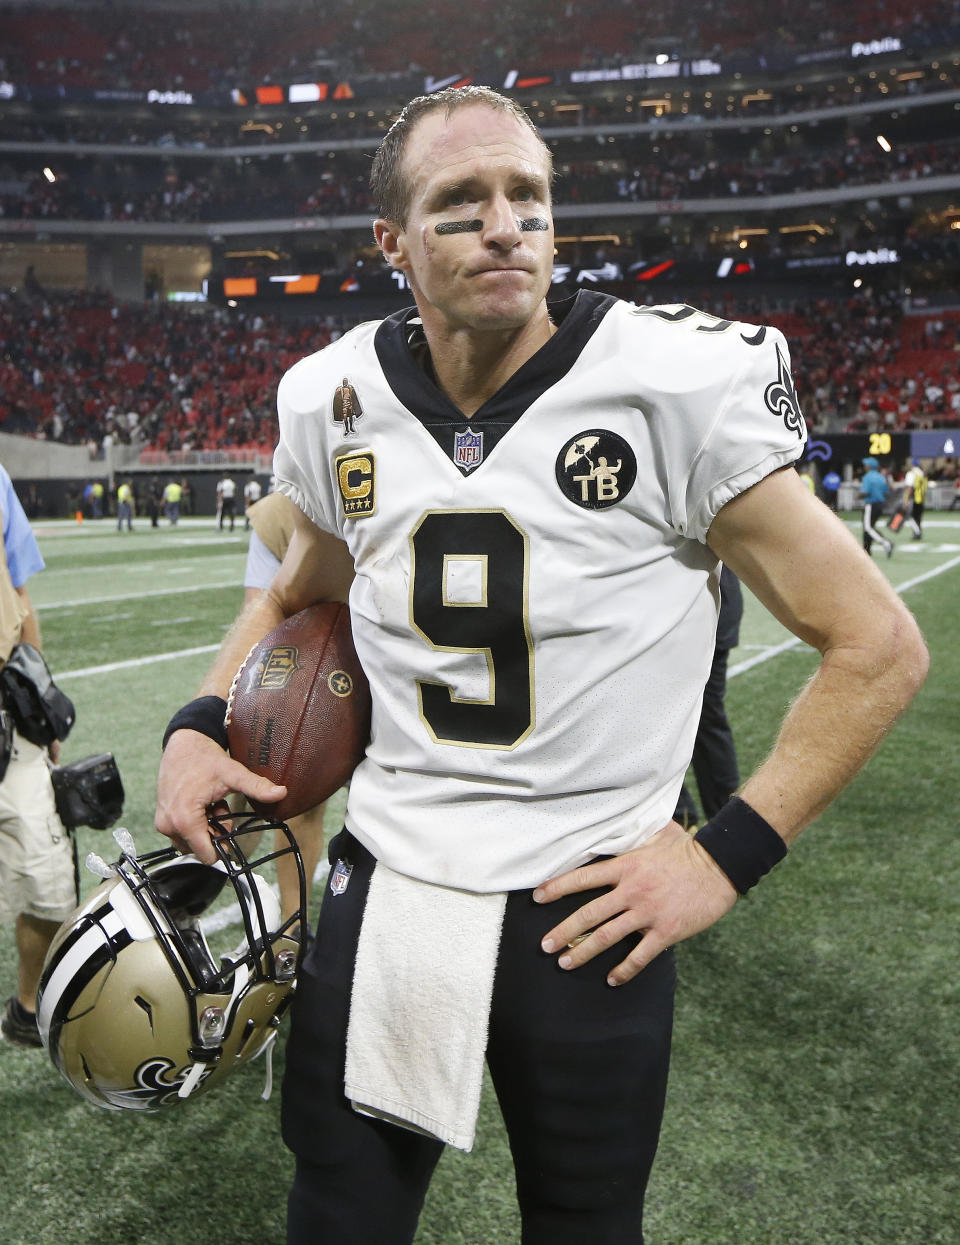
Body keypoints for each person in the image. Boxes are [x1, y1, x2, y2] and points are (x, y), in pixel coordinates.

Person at [156, 87, 928, 1244]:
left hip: (585, 902)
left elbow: (876, 645)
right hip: (395, 878)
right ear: (394, 241)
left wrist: (725, 858)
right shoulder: (336, 398)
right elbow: (292, 591)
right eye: (460, 202)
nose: (505, 223)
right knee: (338, 1212)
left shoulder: (672, 382)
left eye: (529, 197)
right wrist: (201, 719)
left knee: (582, 1223)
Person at [0, 464, 76, 1047]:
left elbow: (20, 596)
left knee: (50, 883)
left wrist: (40, 701)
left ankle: (27, 1007)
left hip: (6, 708)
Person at [238, 490, 327, 932]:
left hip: (390, 670)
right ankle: (294, 931)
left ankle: (295, 928)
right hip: (308, 670)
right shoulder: (276, 515)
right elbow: (262, 613)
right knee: (284, 793)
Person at [673, 564, 743, 830]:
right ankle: (726, 825)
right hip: (709, 608)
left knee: (702, 718)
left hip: (699, 613)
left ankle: (686, 818)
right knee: (707, 720)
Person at [858, 456, 893, 558]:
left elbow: (865, 492)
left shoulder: (868, 477)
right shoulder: (881, 477)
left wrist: (859, 495)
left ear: (869, 466)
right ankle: (867, 550)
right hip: (880, 505)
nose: (864, 466)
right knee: (869, 527)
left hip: (871, 504)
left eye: (866, 465)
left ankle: (886, 543)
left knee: (868, 528)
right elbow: (886, 491)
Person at [901, 458, 927, 540]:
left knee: (910, 516)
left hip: (914, 497)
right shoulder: (922, 473)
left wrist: (906, 499)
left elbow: (909, 487)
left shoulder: (911, 473)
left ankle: (917, 532)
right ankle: (918, 532)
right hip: (921, 497)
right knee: (918, 517)